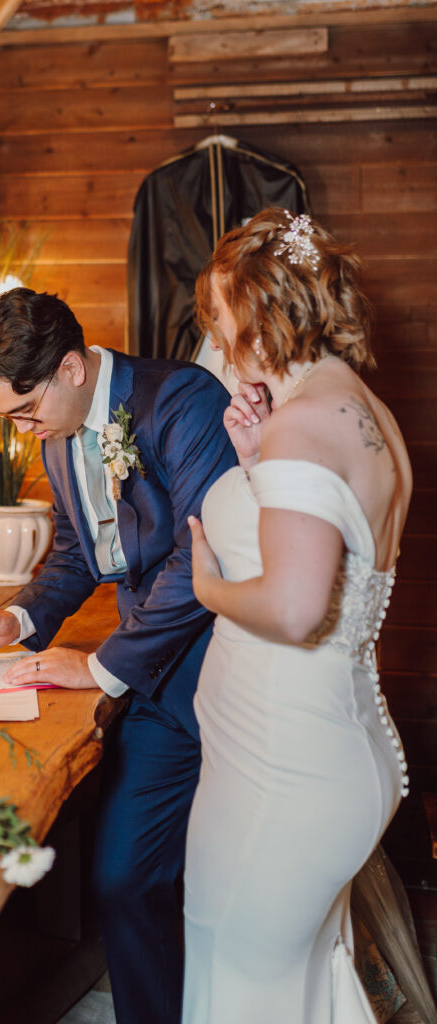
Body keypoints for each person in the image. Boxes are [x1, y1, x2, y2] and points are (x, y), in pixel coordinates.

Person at [0, 288, 236, 1024]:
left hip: (224, 674)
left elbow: (201, 557)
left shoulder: (181, 399)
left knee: (231, 890)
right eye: (7, 418)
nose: (22, 431)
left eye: (24, 411)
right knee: (122, 879)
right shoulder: (56, 429)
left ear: (72, 369)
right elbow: (81, 552)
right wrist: (17, 619)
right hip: (149, 684)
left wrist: (100, 666)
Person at [182, 207, 412, 1023]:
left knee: (237, 980)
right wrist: (256, 462)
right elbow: (324, 542)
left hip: (284, 770)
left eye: (219, 314)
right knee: (300, 982)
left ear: (259, 311)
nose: (216, 334)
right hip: (328, 748)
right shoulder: (364, 413)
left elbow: (293, 606)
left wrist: (206, 586)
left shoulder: (301, 427)